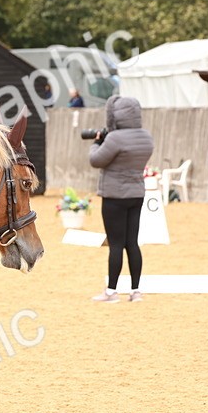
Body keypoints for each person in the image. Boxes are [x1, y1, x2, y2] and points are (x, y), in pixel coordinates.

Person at [88, 95, 154, 303]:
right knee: (132, 243)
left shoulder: (114, 139)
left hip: (114, 195)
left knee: (115, 244)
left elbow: (96, 160)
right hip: (136, 194)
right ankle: (136, 291)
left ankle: (111, 292)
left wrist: (96, 142)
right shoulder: (146, 137)